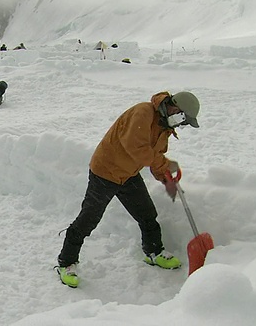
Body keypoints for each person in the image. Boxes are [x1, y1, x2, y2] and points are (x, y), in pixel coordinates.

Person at [56, 91, 200, 288]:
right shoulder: (143, 112)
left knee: (147, 213)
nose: (180, 125)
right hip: (105, 171)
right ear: (176, 108)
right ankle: (66, 262)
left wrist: (165, 177)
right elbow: (137, 147)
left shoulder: (164, 127)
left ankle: (153, 252)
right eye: (183, 120)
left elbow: (154, 156)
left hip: (128, 174)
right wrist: (164, 164)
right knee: (89, 218)